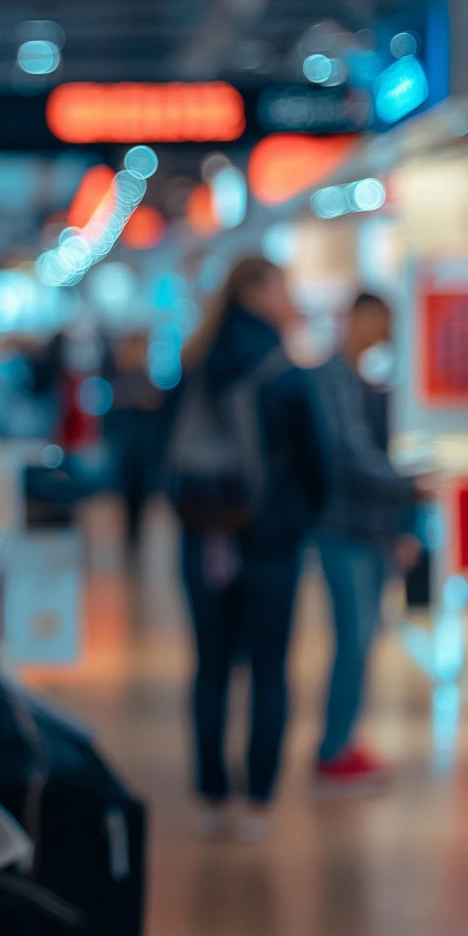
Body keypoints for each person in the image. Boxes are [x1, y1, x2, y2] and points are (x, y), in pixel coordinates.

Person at [160, 256, 327, 840]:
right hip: (271, 542)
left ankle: (210, 794)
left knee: (209, 667)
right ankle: (257, 797)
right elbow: (316, 463)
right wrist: (299, 518)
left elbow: (165, 451)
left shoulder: (194, 363)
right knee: (268, 669)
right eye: (283, 285)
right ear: (257, 291)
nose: (290, 297)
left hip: (204, 534)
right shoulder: (284, 370)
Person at [311, 292, 429, 788]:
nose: (382, 332)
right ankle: (335, 747)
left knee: (361, 640)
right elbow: (351, 458)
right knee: (353, 639)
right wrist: (410, 488)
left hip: (369, 530)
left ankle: (343, 742)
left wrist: (403, 520)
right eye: (378, 322)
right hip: (344, 530)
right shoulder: (332, 381)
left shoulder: (362, 382)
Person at [103, 331, 165, 555]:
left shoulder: (145, 379)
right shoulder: (121, 379)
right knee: (128, 497)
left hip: (142, 449)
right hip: (128, 449)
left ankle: (134, 539)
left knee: (139, 499)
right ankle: (130, 539)